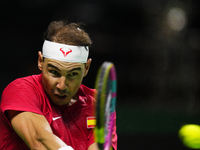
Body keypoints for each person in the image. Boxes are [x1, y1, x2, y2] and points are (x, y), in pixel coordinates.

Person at [0, 20, 117, 150]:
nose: (61, 86)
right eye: (54, 72)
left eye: (72, 74)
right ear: (40, 61)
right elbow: (39, 138)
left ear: (86, 68)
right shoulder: (20, 90)